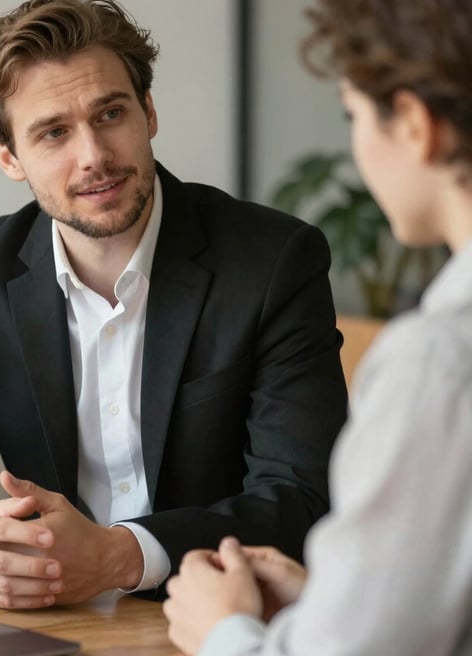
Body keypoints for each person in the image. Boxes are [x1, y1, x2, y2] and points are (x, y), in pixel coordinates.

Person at [0, 0, 347, 610]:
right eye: (53, 132)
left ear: (148, 112)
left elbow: (301, 496)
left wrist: (115, 555)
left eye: (111, 113)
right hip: (55, 620)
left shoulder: (274, 261)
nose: (93, 155)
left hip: (228, 617)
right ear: (8, 156)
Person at [163, 0, 472, 653]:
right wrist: (333, 602)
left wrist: (222, 629)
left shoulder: (439, 360)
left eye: (353, 115)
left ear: (415, 125)